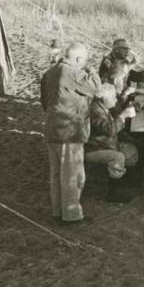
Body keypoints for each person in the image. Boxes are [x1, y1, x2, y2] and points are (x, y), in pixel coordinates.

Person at [40, 42, 101, 223]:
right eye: (83, 61)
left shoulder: (49, 73)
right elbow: (96, 88)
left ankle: (58, 212)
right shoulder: (72, 72)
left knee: (57, 175)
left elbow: (44, 102)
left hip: (52, 129)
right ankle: (72, 215)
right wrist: (92, 70)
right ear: (77, 59)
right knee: (73, 176)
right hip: (69, 131)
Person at [85, 83, 139, 203]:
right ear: (104, 98)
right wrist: (122, 116)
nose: (115, 100)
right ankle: (113, 192)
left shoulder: (102, 107)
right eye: (113, 97)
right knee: (118, 157)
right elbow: (109, 130)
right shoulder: (95, 111)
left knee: (132, 151)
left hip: (105, 144)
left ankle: (124, 182)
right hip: (95, 148)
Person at [99, 38, 137, 115]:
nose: (127, 52)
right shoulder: (107, 61)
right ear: (116, 50)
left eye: (128, 49)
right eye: (125, 49)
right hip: (112, 100)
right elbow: (112, 81)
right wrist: (133, 64)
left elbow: (126, 74)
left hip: (122, 94)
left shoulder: (123, 59)